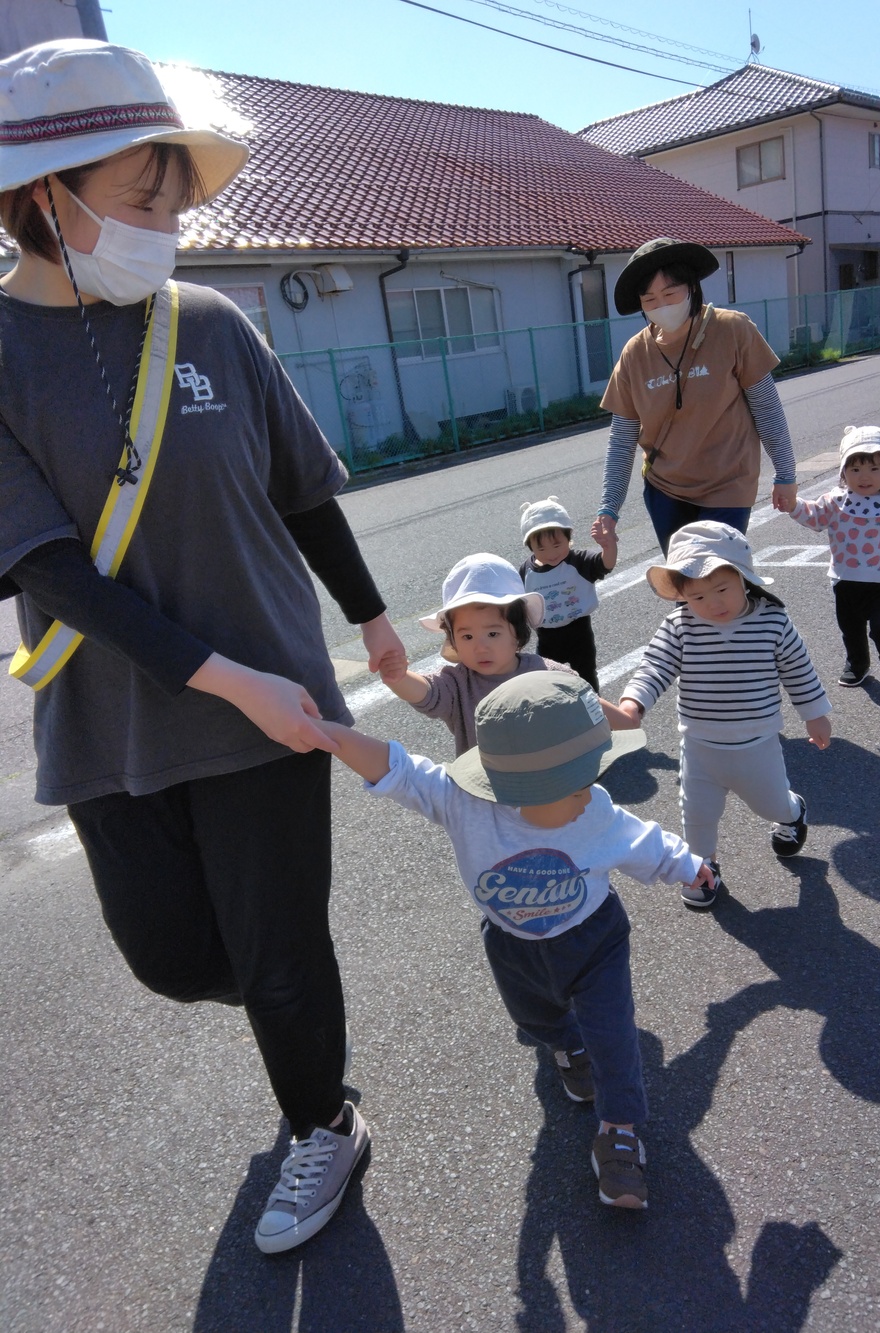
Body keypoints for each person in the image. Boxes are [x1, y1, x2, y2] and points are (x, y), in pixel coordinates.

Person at [0, 39, 406, 1255]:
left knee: (278, 955)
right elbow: (49, 568)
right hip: (114, 718)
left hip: (273, 702)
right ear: (41, 198)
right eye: (141, 198)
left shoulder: (213, 323)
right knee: (174, 959)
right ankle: (301, 1005)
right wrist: (225, 681)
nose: (165, 224)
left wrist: (378, 628)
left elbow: (304, 492)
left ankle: (321, 1119)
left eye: (175, 200)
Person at [322, 671, 714, 1209]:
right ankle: (566, 1046)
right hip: (512, 946)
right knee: (536, 1020)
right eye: (580, 783)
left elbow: (641, 839)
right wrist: (333, 735)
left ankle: (619, 1136)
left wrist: (688, 866)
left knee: (615, 1037)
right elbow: (399, 770)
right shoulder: (463, 802)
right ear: (526, 788)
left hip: (594, 940)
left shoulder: (593, 808)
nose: (592, 792)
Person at [616, 523, 832, 908]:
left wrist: (814, 714)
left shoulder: (772, 621)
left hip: (757, 745)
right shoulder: (680, 625)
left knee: (771, 805)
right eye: (696, 595)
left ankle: (792, 810)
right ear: (682, 595)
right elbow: (654, 667)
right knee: (696, 816)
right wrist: (634, 703)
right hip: (699, 745)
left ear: (743, 578)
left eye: (721, 589)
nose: (712, 603)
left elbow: (799, 670)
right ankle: (703, 869)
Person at [590, 237, 798, 556]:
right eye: (650, 300)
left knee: (717, 577)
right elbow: (622, 437)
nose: (662, 306)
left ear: (692, 287)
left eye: (670, 294)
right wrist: (609, 509)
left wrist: (786, 474)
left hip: (728, 486)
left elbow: (766, 409)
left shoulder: (733, 330)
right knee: (686, 586)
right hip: (665, 490)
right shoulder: (635, 354)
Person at [775, 425, 880, 692]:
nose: (865, 477)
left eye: (874, 469)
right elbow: (814, 517)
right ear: (843, 472)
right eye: (855, 470)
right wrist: (793, 505)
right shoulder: (836, 501)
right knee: (851, 627)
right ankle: (857, 664)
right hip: (845, 577)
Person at [378, 552, 577, 755]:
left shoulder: (543, 672)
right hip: (485, 783)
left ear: (517, 632)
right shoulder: (458, 685)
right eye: (467, 637)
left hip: (547, 780)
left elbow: (585, 702)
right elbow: (427, 693)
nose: (480, 648)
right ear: (452, 639)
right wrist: (399, 678)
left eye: (492, 633)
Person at [518, 495, 616, 693]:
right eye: (541, 548)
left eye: (557, 545)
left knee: (587, 675)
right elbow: (514, 602)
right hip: (546, 637)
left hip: (579, 631)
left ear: (569, 539)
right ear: (530, 547)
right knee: (552, 681)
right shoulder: (526, 572)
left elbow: (606, 564)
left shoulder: (577, 561)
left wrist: (609, 546)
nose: (551, 553)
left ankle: (594, 712)